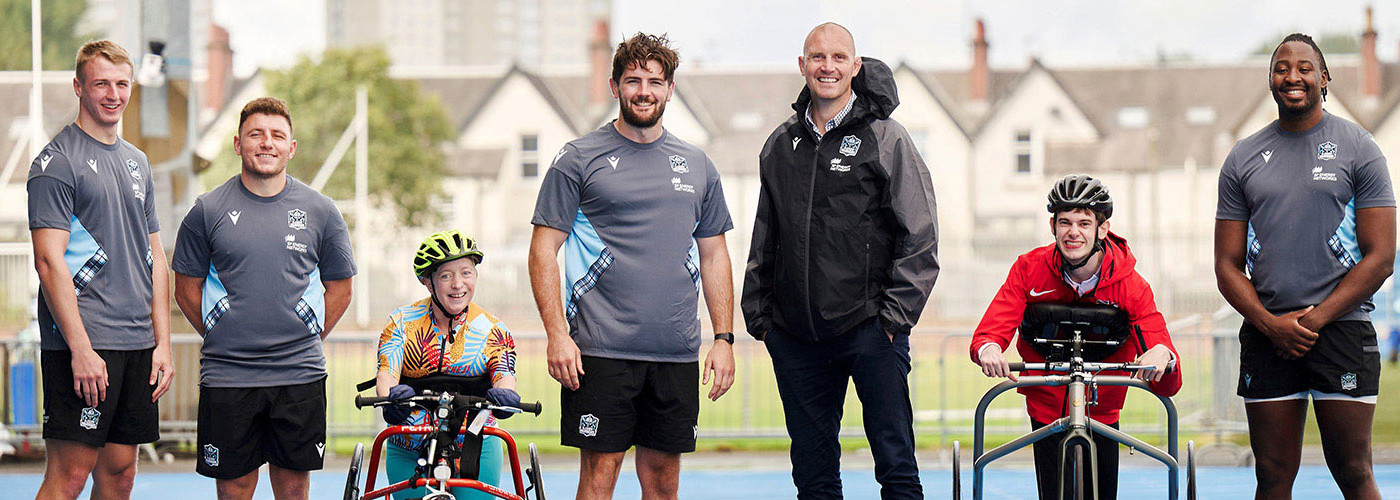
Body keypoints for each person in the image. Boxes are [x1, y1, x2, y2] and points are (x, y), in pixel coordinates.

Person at [528, 32, 736, 500]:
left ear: (670, 89)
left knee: (664, 482)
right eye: (633, 80)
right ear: (614, 86)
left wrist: (723, 339)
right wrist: (558, 334)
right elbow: (543, 250)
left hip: (676, 352)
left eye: (655, 82)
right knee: (600, 478)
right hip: (601, 352)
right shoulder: (578, 158)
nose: (645, 91)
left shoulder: (697, 164)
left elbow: (714, 254)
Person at [741, 22, 938, 499]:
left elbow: (921, 236)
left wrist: (891, 320)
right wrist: (762, 320)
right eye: (816, 57)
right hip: (797, 337)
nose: (826, 66)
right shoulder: (780, 143)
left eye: (837, 58)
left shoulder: (886, 138)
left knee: (896, 470)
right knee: (813, 479)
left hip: (871, 330)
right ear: (803, 66)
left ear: (855, 66)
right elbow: (765, 236)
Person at [1215, 33, 1394, 500]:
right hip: (1266, 331)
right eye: (1281, 68)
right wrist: (1270, 325)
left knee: (1353, 472)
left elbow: (1381, 257)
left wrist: (1314, 319)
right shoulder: (1243, 158)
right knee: (1272, 477)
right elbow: (1226, 264)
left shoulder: (1360, 148)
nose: (1292, 76)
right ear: (1270, 80)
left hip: (1341, 331)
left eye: (1304, 67)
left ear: (1325, 78)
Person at [172, 97, 356, 500]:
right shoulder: (206, 210)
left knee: (293, 489)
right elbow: (186, 288)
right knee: (235, 488)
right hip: (228, 376)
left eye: (277, 135)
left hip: (299, 376)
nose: (266, 143)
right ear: (238, 144)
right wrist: (222, 332)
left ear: (292, 148)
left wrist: (305, 335)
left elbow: (340, 289)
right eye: (256, 134)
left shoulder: (321, 210)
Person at [970, 174, 1182, 500]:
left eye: (1084, 223)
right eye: (1065, 222)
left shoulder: (1130, 284)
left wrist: (1162, 355)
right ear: (1052, 226)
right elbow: (993, 327)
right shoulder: (1029, 269)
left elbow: (1160, 346)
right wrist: (989, 348)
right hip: (1045, 408)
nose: (1073, 232)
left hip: (1103, 410)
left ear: (1103, 229)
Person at [28, 40, 174, 500]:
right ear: (78, 87)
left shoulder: (137, 162)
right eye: (101, 84)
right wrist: (80, 349)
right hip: (85, 344)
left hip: (136, 346)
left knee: (120, 474)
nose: (113, 94)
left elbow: (157, 258)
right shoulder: (56, 164)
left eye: (121, 84)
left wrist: (163, 343)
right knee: (70, 475)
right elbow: (48, 261)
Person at [375, 230, 520, 500]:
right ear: (428, 283)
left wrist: (506, 394)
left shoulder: (492, 329)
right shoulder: (401, 322)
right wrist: (390, 398)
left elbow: (504, 374)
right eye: (446, 275)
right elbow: (387, 373)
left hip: (475, 440)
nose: (457, 284)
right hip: (410, 440)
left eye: (466, 273)